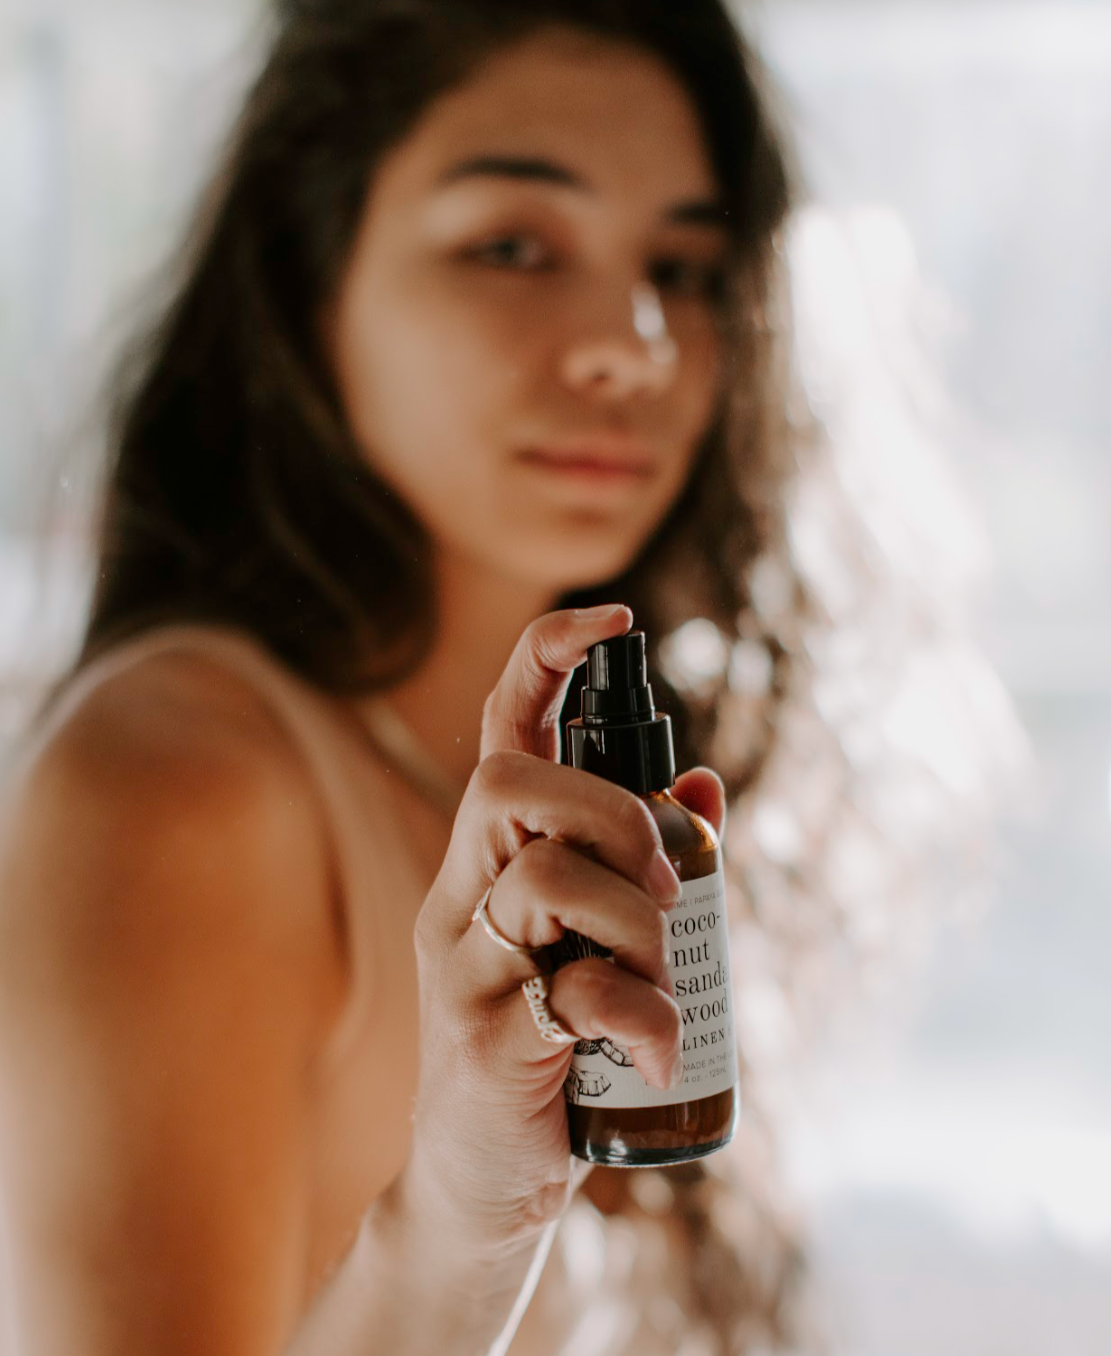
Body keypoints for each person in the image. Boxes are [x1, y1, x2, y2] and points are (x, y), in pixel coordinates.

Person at [0, 2, 822, 1353]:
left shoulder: (614, 792)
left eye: (681, 265)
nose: (634, 338)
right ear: (310, 273)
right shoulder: (182, 789)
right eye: (513, 243)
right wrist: (460, 1216)